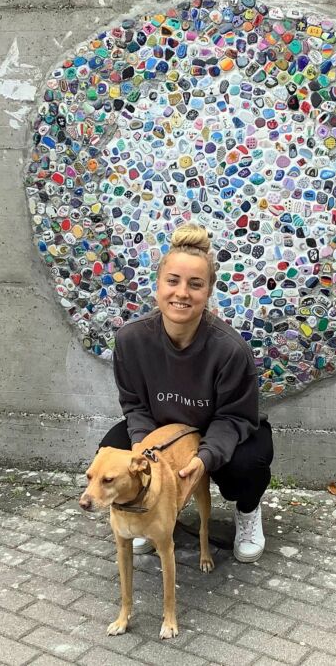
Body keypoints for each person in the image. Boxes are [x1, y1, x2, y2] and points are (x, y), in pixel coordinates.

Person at [101, 223, 273, 563]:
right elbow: (134, 405)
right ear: (158, 286)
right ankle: (145, 515)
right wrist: (140, 446)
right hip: (162, 431)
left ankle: (249, 512)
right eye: (173, 281)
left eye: (195, 284)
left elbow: (233, 416)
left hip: (219, 431)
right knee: (112, 453)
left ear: (208, 291)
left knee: (249, 463)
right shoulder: (131, 340)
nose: (182, 292)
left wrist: (204, 458)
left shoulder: (230, 349)